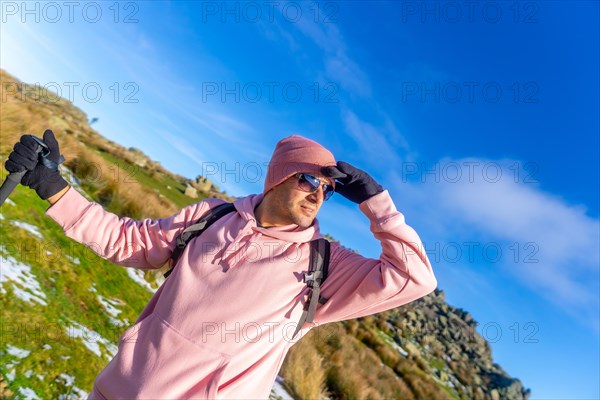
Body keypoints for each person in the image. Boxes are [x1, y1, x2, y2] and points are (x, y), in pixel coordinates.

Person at [5, 130, 437, 399]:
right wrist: (52, 186)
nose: (318, 194)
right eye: (309, 180)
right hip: (116, 390)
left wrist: (377, 203)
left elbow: (413, 278)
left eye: (327, 189)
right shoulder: (211, 216)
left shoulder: (324, 264)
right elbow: (126, 239)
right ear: (279, 177)